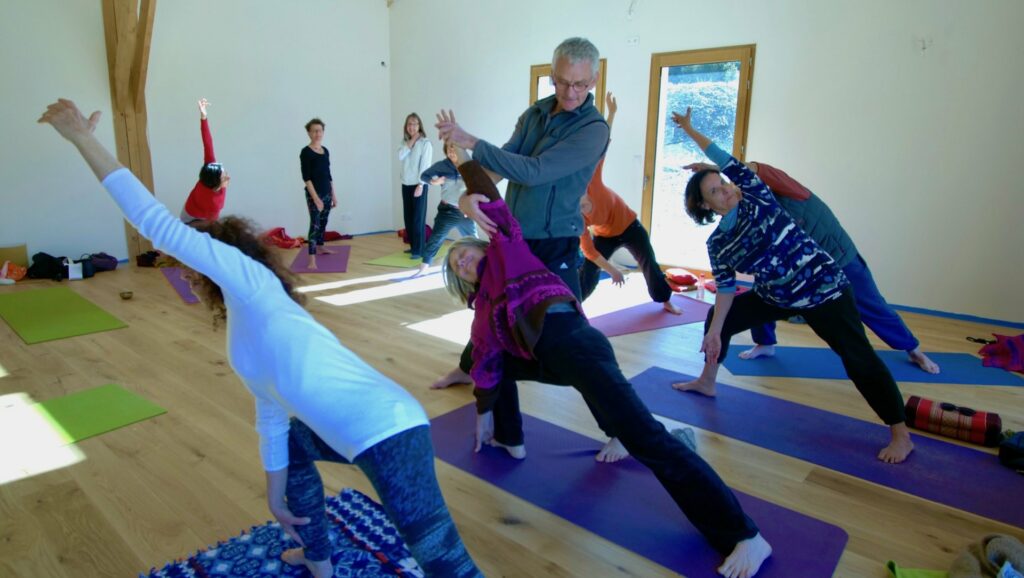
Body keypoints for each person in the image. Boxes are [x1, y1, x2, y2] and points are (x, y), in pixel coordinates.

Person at [39, 99, 482, 578]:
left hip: (391, 434)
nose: (189, 272)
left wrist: (83, 139)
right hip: (356, 434)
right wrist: (274, 496)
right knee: (292, 442)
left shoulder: (251, 281)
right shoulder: (244, 321)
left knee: (448, 566)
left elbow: (156, 225)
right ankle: (318, 558)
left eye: (194, 262)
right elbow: (271, 412)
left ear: (222, 258)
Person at [442, 154, 772, 578]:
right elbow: (485, 358)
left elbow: (491, 203)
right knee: (498, 366)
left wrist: (464, 163)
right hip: (555, 361)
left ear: (480, 244)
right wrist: (486, 414)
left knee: (650, 441)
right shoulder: (483, 306)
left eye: (463, 255)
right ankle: (512, 439)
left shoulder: (508, 252)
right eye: (457, 268)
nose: (463, 263)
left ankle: (745, 536)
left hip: (578, 348)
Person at [671, 107, 914, 464]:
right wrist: (717, 331)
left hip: (823, 288)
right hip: (779, 295)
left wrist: (691, 131)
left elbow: (723, 157)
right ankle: (707, 380)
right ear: (706, 207)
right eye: (715, 192)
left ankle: (901, 434)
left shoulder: (754, 194)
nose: (725, 190)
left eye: (722, 183)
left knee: (857, 357)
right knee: (716, 320)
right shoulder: (719, 245)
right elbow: (725, 289)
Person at [431, 36, 610, 390]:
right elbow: (499, 168)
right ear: (552, 74)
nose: (569, 91)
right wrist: (467, 195)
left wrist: (471, 142)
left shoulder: (593, 130)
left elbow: (534, 170)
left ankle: (619, 423)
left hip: (555, 243)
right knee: (491, 312)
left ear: (593, 81)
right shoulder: (535, 114)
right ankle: (468, 370)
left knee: (577, 338)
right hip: (514, 238)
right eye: (561, 81)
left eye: (579, 84)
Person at [687, 161, 939, 374]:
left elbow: (752, 170)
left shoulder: (792, 192)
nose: (730, 188)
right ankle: (765, 343)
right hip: (793, 272)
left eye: (725, 182)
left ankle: (912, 348)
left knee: (872, 306)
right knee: (763, 292)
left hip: (838, 258)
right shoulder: (752, 209)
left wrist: (713, 166)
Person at [579, 91, 680, 315]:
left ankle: (665, 300)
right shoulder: (575, 218)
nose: (581, 205)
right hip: (605, 236)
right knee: (589, 270)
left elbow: (602, 142)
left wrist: (612, 113)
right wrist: (613, 270)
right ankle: (574, 308)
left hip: (629, 226)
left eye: (582, 201)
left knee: (648, 262)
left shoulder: (591, 178)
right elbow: (590, 252)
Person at [414, 141, 477, 276]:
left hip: (465, 211)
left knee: (474, 240)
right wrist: (434, 182)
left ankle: (482, 266)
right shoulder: (442, 166)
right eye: (449, 149)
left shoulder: (469, 165)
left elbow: (476, 186)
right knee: (436, 238)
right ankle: (423, 267)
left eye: (455, 148)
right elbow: (424, 176)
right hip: (447, 211)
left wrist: (472, 207)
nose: (452, 151)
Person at [180, 98, 231, 224]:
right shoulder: (216, 203)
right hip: (192, 216)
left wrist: (203, 116)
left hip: (192, 210)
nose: (228, 177)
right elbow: (212, 224)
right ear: (216, 186)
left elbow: (207, 142)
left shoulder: (210, 168)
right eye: (224, 177)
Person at [300, 118, 337, 270]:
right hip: (314, 194)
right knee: (314, 224)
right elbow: (306, 178)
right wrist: (316, 199)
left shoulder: (325, 151)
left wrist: (333, 195)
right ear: (309, 133)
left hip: (327, 192)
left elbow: (328, 175)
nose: (317, 133)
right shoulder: (305, 152)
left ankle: (321, 247)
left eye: (320, 130)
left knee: (324, 221)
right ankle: (311, 260)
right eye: (314, 131)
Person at [398, 113, 432, 259]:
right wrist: (412, 140)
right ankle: (413, 247)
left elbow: (425, 166)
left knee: (418, 218)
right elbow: (400, 156)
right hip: (406, 183)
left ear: (419, 126)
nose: (412, 127)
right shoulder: (404, 143)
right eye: (409, 124)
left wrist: (421, 184)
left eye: (414, 124)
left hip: (419, 185)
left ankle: (419, 249)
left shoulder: (425, 143)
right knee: (408, 217)